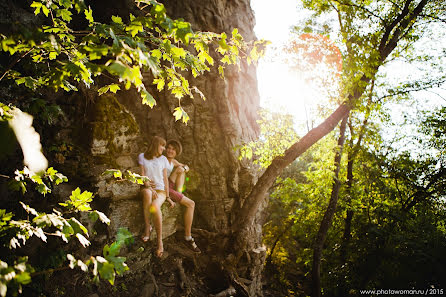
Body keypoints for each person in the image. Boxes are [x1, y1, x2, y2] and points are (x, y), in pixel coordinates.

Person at [138, 136, 175, 258]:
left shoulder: (163, 159)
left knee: (154, 205)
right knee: (147, 194)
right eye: (162, 145)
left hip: (161, 191)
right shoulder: (142, 157)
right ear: (155, 145)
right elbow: (142, 176)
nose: (164, 149)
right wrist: (148, 187)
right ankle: (147, 227)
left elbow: (165, 178)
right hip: (148, 188)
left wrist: (168, 196)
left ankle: (160, 241)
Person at [165, 139, 201, 253]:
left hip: (171, 184)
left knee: (181, 169)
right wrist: (167, 196)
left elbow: (186, 166)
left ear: (176, 152)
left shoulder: (173, 161)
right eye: (169, 148)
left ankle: (179, 193)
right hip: (165, 188)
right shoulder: (162, 160)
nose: (170, 151)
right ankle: (188, 236)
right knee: (191, 204)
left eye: (173, 149)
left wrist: (184, 168)